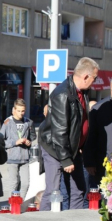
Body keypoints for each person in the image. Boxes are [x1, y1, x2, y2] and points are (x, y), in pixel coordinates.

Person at [38, 57, 99, 211]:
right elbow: (59, 130)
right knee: (53, 189)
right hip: (55, 148)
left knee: (78, 189)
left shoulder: (82, 91)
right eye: (94, 78)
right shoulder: (62, 94)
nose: (95, 81)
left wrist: (82, 145)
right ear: (85, 77)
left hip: (73, 148)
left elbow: (81, 121)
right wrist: (65, 159)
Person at [0, 99, 37, 198]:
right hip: (12, 157)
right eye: (19, 111)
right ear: (14, 110)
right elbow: (0, 140)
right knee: (14, 183)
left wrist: (29, 142)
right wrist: (15, 142)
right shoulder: (7, 123)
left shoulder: (28, 122)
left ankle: (20, 203)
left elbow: (33, 137)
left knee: (25, 183)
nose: (21, 113)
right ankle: (13, 205)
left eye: (23, 111)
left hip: (24, 157)